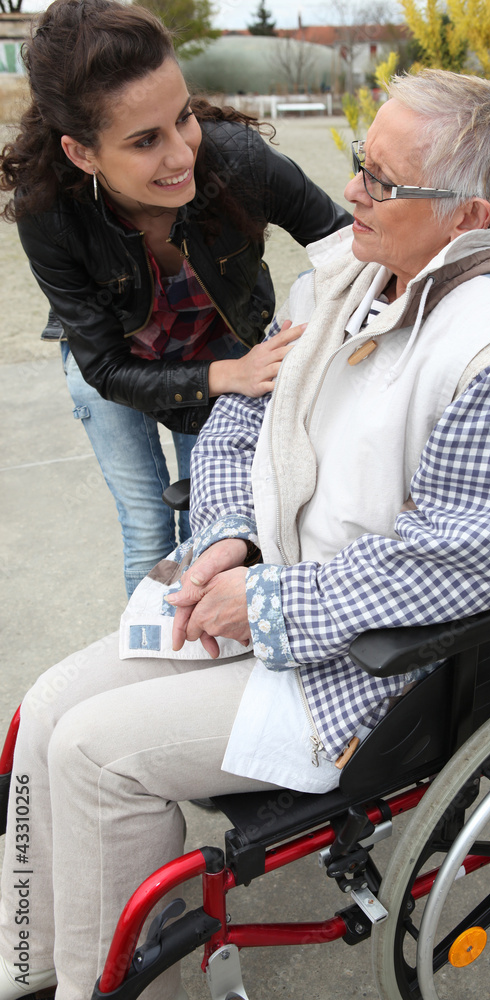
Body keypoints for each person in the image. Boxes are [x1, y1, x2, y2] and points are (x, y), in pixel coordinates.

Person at [0, 69, 490, 1000]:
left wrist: (263, 601)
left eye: (382, 183)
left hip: (366, 670)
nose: (350, 190)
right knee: (46, 708)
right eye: (361, 164)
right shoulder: (341, 281)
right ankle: (31, 957)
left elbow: (462, 559)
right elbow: (239, 421)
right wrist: (227, 536)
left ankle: (96, 987)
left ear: (467, 217)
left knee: (94, 754)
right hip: (266, 596)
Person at [0, 0, 350, 597]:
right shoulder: (49, 211)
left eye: (182, 117)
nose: (183, 155)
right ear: (81, 153)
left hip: (222, 352)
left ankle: (202, 662)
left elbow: (347, 244)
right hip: (116, 367)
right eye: (144, 141)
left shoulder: (236, 161)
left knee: (213, 524)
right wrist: (223, 376)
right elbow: (106, 366)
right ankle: (151, 664)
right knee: (146, 527)